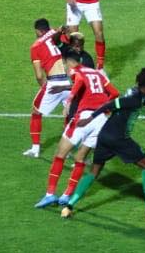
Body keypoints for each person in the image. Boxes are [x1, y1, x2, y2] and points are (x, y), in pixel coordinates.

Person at [59, 67, 145, 222]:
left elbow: (144, 100)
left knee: (94, 172)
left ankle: (69, 206)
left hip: (104, 136)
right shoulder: (133, 99)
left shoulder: (136, 95)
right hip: (119, 139)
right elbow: (109, 105)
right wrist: (89, 118)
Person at [34, 54, 118, 209]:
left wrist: (68, 101)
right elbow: (115, 93)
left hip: (84, 118)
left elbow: (78, 81)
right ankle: (67, 195)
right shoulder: (97, 74)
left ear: (68, 62)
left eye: (64, 65)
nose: (65, 69)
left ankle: (50, 194)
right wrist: (104, 108)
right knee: (80, 158)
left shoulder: (77, 71)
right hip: (101, 120)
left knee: (60, 154)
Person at [24, 18, 70, 158]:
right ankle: (68, 148)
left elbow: (39, 75)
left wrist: (44, 87)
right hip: (68, 82)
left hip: (54, 83)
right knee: (69, 114)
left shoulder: (35, 46)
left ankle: (35, 149)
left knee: (36, 112)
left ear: (38, 31)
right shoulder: (56, 32)